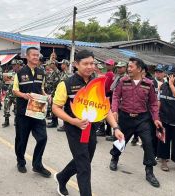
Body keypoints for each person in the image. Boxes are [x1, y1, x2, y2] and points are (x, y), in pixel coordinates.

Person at [52, 50, 124, 196]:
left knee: (84, 160)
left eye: (92, 63)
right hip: (74, 129)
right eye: (85, 64)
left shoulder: (97, 83)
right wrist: (73, 121)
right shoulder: (65, 84)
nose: (90, 66)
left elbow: (105, 108)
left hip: (92, 128)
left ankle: (61, 177)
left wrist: (115, 127)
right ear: (76, 64)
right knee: (84, 167)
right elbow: (55, 108)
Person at [109, 57, 162, 188]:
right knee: (121, 141)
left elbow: (153, 103)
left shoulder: (149, 84)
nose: (128, 69)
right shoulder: (123, 81)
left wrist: (156, 118)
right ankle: (114, 158)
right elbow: (116, 96)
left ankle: (149, 171)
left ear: (139, 69)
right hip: (125, 117)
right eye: (128, 66)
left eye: (131, 66)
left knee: (148, 143)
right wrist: (114, 110)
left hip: (142, 118)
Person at [13, 47, 51, 177]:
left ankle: (37, 164)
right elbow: (14, 90)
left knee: (42, 138)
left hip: (38, 110)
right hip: (23, 112)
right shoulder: (20, 72)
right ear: (27, 57)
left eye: (37, 55)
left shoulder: (41, 72)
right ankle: (21, 161)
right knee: (21, 139)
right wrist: (23, 95)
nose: (36, 57)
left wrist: (47, 96)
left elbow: (41, 89)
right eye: (33, 55)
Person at [106, 61, 128, 141]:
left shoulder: (126, 78)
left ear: (125, 68)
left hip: (122, 101)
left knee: (118, 118)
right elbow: (112, 88)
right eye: (118, 67)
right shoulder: (118, 76)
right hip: (115, 98)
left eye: (121, 67)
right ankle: (114, 134)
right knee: (115, 116)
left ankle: (116, 135)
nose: (119, 69)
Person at [96, 59, 115, 137]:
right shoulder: (110, 74)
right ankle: (108, 130)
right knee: (107, 111)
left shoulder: (109, 74)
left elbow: (105, 86)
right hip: (109, 95)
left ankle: (102, 129)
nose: (107, 65)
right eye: (107, 64)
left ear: (112, 66)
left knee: (103, 111)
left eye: (109, 64)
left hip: (106, 94)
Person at [2, 60, 21, 128]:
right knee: (6, 107)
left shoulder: (20, 73)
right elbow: (5, 82)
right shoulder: (10, 73)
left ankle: (16, 121)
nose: (14, 66)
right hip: (9, 93)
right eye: (12, 65)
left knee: (17, 109)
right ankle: (6, 121)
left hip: (16, 94)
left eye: (15, 65)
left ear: (18, 65)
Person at [46, 60, 61, 128]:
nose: (50, 65)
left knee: (53, 107)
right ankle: (54, 121)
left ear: (54, 64)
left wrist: (52, 93)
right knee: (52, 106)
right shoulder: (53, 72)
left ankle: (54, 123)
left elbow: (56, 83)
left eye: (51, 63)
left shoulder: (57, 72)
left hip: (54, 92)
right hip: (51, 91)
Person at [56, 59, 70, 132]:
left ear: (65, 65)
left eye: (62, 64)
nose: (61, 65)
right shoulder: (62, 73)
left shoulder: (68, 74)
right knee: (64, 110)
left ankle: (66, 125)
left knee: (67, 110)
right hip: (62, 94)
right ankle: (65, 124)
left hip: (67, 95)